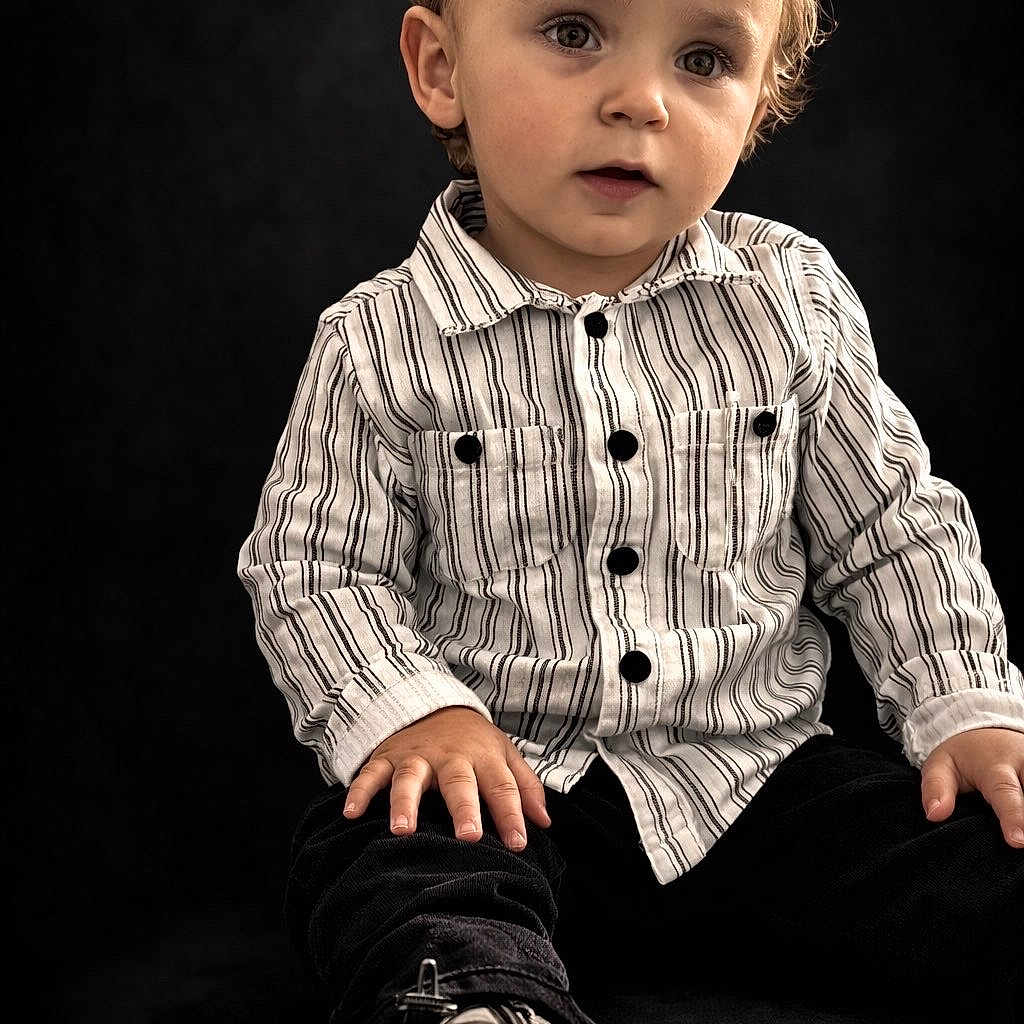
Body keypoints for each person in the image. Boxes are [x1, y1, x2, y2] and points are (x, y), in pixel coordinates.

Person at [236, 2, 1024, 1022]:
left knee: (975, 849)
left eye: (702, 59)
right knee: (385, 867)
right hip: (508, 792)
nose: (639, 102)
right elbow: (314, 568)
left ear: (757, 108)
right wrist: (418, 713)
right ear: (440, 67)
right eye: (572, 32)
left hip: (760, 779)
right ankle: (481, 996)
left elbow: (889, 530)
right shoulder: (381, 343)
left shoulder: (786, 300)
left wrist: (963, 703)